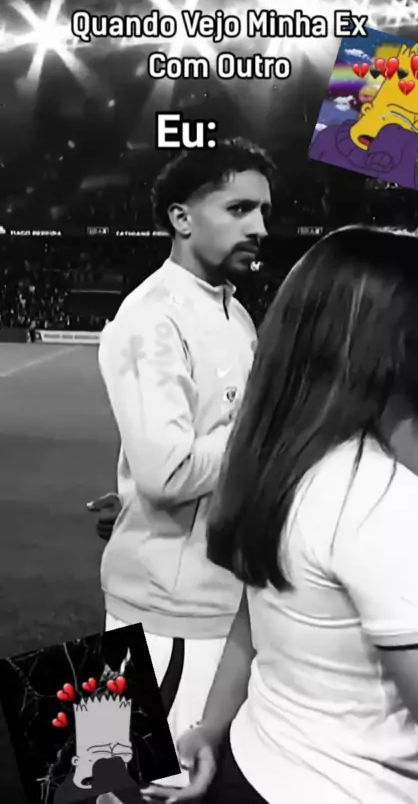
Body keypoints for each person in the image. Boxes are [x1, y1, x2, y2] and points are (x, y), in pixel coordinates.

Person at [142, 227, 418, 804]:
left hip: (254, 765)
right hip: (345, 787)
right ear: (394, 345)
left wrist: (212, 726)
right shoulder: (379, 500)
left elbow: (260, 608)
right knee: (95, 762)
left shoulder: (288, 460)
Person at [97, 138, 275, 780]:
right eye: (239, 209)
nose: (260, 227)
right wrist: (268, 432)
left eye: (264, 211)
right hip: (169, 615)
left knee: (176, 782)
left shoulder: (236, 312)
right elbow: (168, 473)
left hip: (217, 603)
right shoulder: (151, 317)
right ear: (181, 218)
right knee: (125, 784)